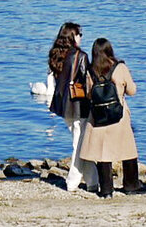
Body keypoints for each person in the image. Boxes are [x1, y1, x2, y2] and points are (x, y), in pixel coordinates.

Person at [78, 38, 146, 198]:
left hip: (98, 116)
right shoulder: (120, 67)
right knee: (128, 151)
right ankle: (131, 185)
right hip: (118, 115)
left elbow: (89, 94)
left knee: (103, 155)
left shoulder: (90, 70)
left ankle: (106, 190)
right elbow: (132, 90)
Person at [47, 22, 97, 192]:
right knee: (80, 144)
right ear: (73, 36)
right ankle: (72, 181)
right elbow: (86, 80)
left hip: (62, 104)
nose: (81, 37)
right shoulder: (80, 56)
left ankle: (93, 182)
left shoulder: (57, 54)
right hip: (78, 104)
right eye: (79, 34)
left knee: (80, 141)